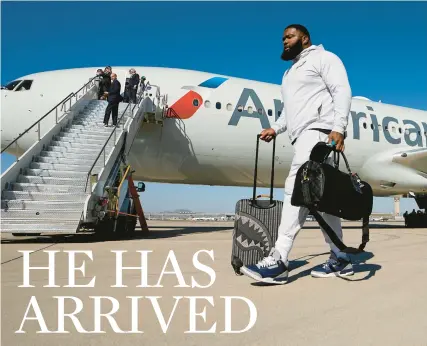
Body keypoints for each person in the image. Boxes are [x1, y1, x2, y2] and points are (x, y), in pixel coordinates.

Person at [240, 24, 353, 284]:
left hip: (318, 132)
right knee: (322, 199)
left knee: (295, 188)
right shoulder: (290, 72)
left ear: (305, 38)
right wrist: (276, 129)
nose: (284, 41)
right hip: (302, 135)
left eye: (289, 37)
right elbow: (288, 112)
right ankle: (341, 258)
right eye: (282, 38)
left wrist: (339, 127)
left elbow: (342, 90)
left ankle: (279, 259)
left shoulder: (324, 58)